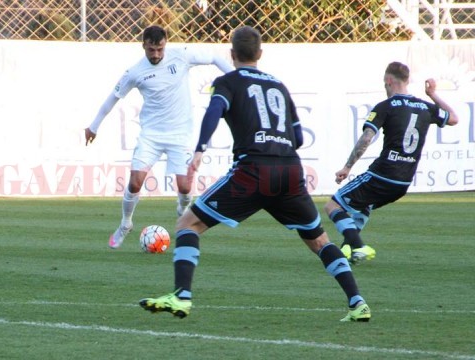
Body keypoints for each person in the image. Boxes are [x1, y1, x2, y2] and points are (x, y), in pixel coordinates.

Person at [139, 26, 371, 322]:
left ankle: (181, 297)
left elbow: (214, 112)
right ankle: (357, 302)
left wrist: (200, 150)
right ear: (260, 54)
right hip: (289, 171)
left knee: (188, 223)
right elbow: (298, 138)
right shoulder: (279, 86)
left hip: (253, 171)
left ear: (232, 54)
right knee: (320, 241)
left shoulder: (227, 82)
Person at [84, 25, 234, 249]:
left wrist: (235, 77)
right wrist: (94, 126)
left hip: (180, 134)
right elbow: (113, 97)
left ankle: (183, 214)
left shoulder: (181, 56)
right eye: (151, 49)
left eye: (159, 49)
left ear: (166, 44)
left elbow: (213, 57)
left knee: (184, 187)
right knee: (135, 181)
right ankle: (126, 223)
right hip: (151, 135)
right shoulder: (135, 71)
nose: (156, 55)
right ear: (143, 45)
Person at [324, 62, 459, 264]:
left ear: (388, 80)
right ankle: (347, 248)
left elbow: (366, 138)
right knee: (363, 205)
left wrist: (347, 167)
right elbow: (454, 118)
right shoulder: (424, 107)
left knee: (333, 205)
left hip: (383, 173)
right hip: (403, 182)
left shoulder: (385, 107)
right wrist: (432, 94)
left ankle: (358, 246)